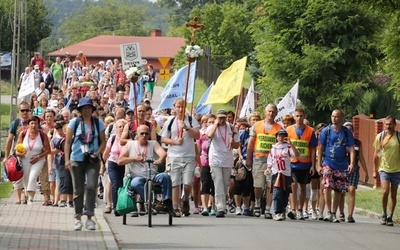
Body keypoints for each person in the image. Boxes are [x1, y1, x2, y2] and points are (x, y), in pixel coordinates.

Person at [118, 125, 179, 217]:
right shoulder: (130, 145)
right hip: (137, 175)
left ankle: (167, 202)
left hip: (152, 174)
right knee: (135, 183)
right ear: (137, 135)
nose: (144, 135)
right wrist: (134, 158)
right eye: (141, 133)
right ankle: (150, 201)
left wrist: (159, 160)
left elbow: (163, 153)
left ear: (149, 134)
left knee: (165, 177)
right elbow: (120, 161)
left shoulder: (153, 143)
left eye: (146, 133)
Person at [64, 97, 106, 231]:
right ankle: (77, 218)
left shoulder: (98, 123)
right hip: (77, 158)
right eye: (84, 108)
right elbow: (68, 142)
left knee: (92, 186)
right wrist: (67, 159)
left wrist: (97, 153)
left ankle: (89, 217)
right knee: (78, 189)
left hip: (92, 160)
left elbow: (103, 142)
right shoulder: (74, 122)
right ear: (80, 110)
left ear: (92, 109)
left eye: (89, 107)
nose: (86, 110)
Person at [160, 98, 200, 217]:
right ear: (174, 107)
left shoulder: (191, 120)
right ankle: (176, 207)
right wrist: (175, 142)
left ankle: (186, 198)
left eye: (182, 107)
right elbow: (162, 138)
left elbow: (197, 135)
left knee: (188, 182)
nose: (180, 109)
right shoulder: (171, 121)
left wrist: (187, 128)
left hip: (189, 156)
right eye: (178, 107)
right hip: (174, 156)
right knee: (175, 183)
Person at [317, 109, 355, 223]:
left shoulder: (346, 132)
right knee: (327, 186)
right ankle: (328, 212)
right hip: (328, 162)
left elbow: (352, 148)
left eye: (337, 116)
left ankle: (334, 212)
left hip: (342, 164)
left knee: (338, 189)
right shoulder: (326, 131)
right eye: (333, 116)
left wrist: (352, 163)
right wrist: (319, 164)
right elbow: (320, 147)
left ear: (341, 118)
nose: (334, 119)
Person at [246, 104, 282, 218]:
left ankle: (267, 209)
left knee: (270, 185)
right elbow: (250, 143)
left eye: (273, 112)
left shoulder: (279, 128)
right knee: (258, 185)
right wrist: (248, 158)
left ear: (276, 114)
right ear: (265, 112)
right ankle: (257, 204)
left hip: (272, 163)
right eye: (269, 111)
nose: (271, 114)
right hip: (258, 160)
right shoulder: (257, 125)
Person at [207, 109, 239, 217]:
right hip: (215, 159)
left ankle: (222, 204)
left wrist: (233, 142)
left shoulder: (232, 127)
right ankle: (220, 207)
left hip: (227, 160)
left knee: (225, 184)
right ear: (216, 118)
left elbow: (237, 144)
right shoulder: (212, 127)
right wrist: (215, 125)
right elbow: (209, 136)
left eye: (223, 118)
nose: (221, 120)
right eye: (219, 118)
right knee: (218, 182)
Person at [286, 108, 317, 220]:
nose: (299, 118)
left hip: (305, 164)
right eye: (297, 116)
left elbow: (313, 149)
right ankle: (293, 209)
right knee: (293, 185)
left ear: (304, 117)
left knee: (303, 187)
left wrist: (313, 165)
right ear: (294, 117)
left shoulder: (310, 131)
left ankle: (300, 209)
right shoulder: (288, 130)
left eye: (301, 116)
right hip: (292, 164)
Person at [338, 122, 369, 223]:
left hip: (354, 169)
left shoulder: (357, 142)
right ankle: (341, 212)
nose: (349, 131)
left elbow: (362, 158)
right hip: (342, 168)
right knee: (342, 192)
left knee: (351, 190)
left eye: (350, 129)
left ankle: (350, 215)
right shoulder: (340, 140)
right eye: (347, 129)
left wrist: (366, 172)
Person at [15, 116, 50, 204]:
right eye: (32, 123)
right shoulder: (23, 134)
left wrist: (38, 157)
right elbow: (17, 148)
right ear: (28, 124)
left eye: (36, 124)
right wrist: (19, 154)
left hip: (38, 159)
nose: (34, 126)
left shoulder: (42, 135)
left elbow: (48, 150)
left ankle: (31, 199)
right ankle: (27, 194)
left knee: (33, 177)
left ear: (38, 125)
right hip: (25, 159)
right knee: (26, 179)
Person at [266, 129, 300, 221]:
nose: (281, 138)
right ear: (276, 137)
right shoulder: (273, 148)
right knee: (277, 192)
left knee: (285, 193)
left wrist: (291, 144)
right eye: (279, 136)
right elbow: (270, 161)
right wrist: (268, 169)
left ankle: (283, 209)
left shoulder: (288, 147)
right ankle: (277, 212)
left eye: (283, 136)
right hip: (276, 173)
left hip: (286, 173)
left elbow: (296, 155)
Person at [373, 115, 400, 226]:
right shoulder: (381, 136)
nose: (388, 126)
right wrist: (375, 170)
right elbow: (376, 154)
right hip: (384, 169)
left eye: (390, 124)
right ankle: (383, 212)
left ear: (395, 124)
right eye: (386, 124)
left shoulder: (398, 137)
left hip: (397, 169)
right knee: (385, 191)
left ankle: (390, 216)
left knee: (393, 194)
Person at [3, 102, 32, 204]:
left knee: (28, 176)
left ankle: (26, 196)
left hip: (30, 153)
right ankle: (18, 199)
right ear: (19, 111)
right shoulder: (15, 123)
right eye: (22, 110)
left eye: (27, 110)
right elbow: (10, 139)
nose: (25, 112)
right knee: (17, 175)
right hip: (18, 154)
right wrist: (6, 156)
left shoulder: (33, 122)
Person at [236, 113, 261, 216]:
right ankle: (245, 206)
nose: (254, 122)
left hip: (258, 161)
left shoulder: (260, 132)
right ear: (249, 122)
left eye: (256, 120)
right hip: (246, 161)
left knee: (255, 185)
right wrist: (240, 156)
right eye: (252, 120)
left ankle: (253, 206)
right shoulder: (245, 133)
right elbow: (239, 145)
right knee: (245, 184)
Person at [101, 119, 128, 216]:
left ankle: (123, 205)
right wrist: (102, 166)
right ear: (116, 129)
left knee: (122, 185)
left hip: (125, 164)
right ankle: (116, 207)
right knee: (115, 183)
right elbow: (105, 153)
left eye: (123, 127)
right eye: (119, 127)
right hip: (113, 164)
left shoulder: (129, 139)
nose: (121, 128)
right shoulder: (112, 139)